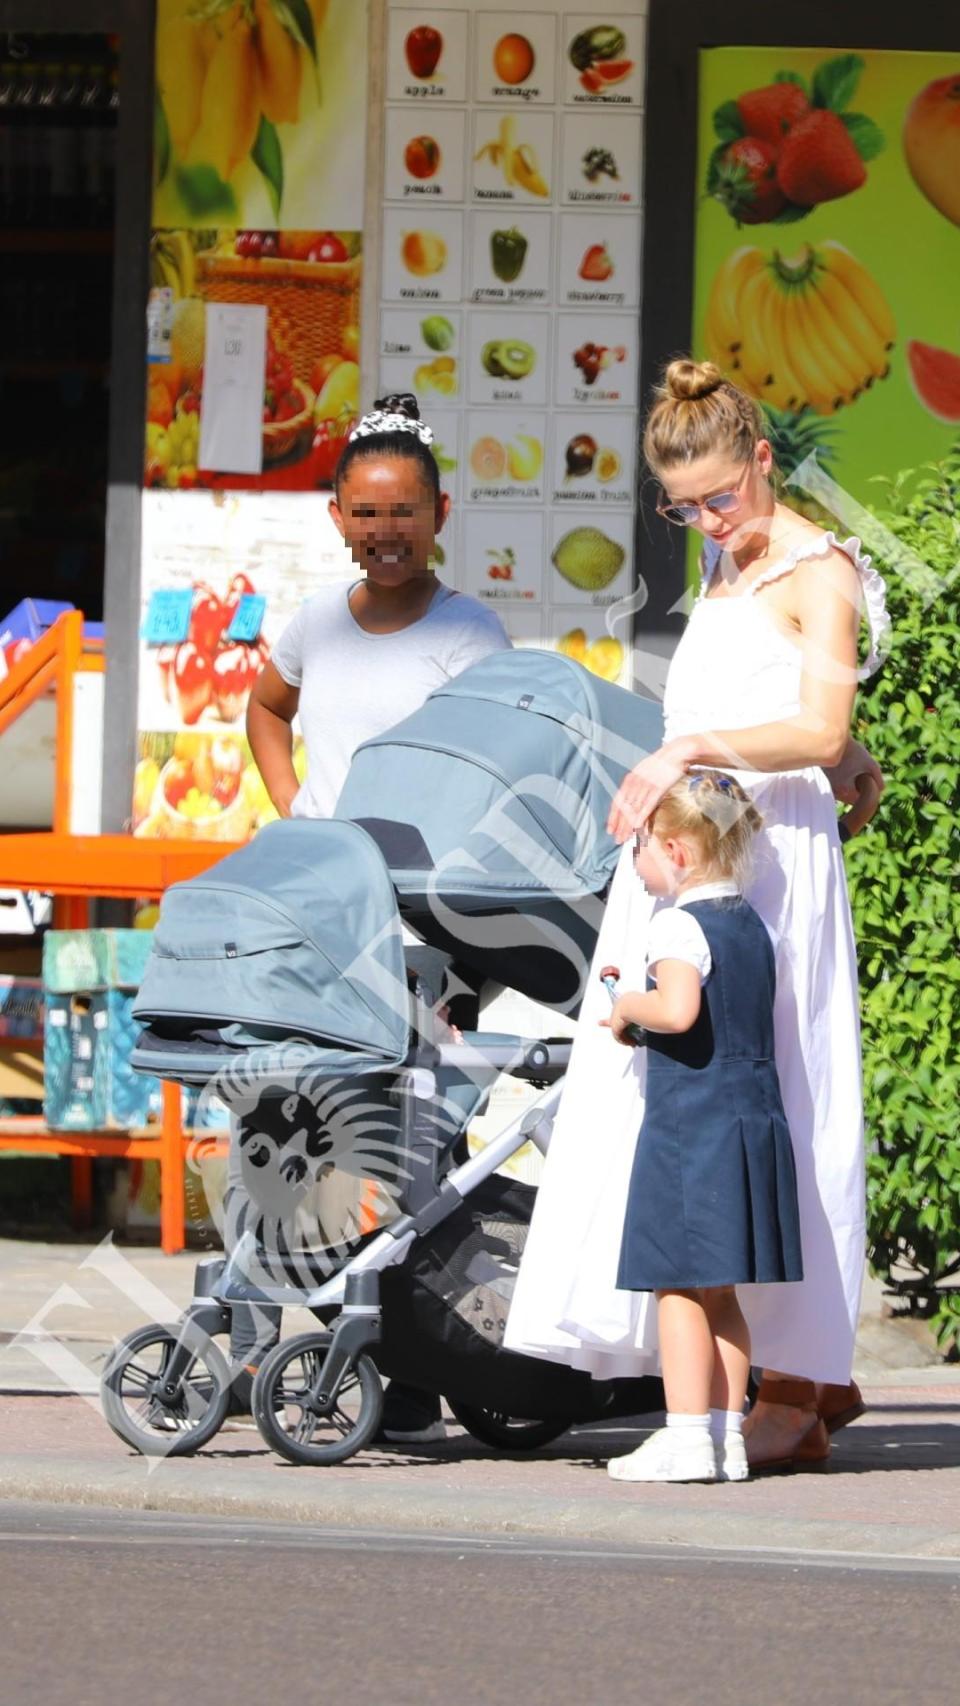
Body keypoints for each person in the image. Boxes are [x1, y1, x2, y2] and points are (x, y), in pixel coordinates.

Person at [506, 358, 887, 1471]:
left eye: (721, 496)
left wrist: (698, 748)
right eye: (684, 507)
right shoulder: (730, 555)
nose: (709, 521)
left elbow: (815, 727)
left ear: (764, 459)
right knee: (671, 1097)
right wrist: (810, 749)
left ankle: (800, 1379)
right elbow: (785, 704)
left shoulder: (820, 568)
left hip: (769, 868)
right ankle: (729, 1380)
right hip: (695, 857)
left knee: (780, 1090)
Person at [229, 394, 511, 1441]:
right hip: (325, 918)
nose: (385, 531)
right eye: (366, 512)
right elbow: (267, 708)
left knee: (414, 1147)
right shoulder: (313, 623)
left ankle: (418, 1364)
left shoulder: (470, 633)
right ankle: (270, 1344)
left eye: (404, 512)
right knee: (288, 1122)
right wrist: (295, 811)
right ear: (337, 516)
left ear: (441, 515)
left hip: (433, 934)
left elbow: (497, 768)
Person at [602, 772, 802, 1484]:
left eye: (641, 848)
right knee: (722, 1292)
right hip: (749, 1118)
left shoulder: (676, 924)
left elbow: (679, 1011)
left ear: (679, 851)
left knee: (678, 1285)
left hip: (692, 1127)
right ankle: (726, 1435)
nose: (636, 863)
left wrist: (628, 1005)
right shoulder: (752, 924)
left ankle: (686, 1437)